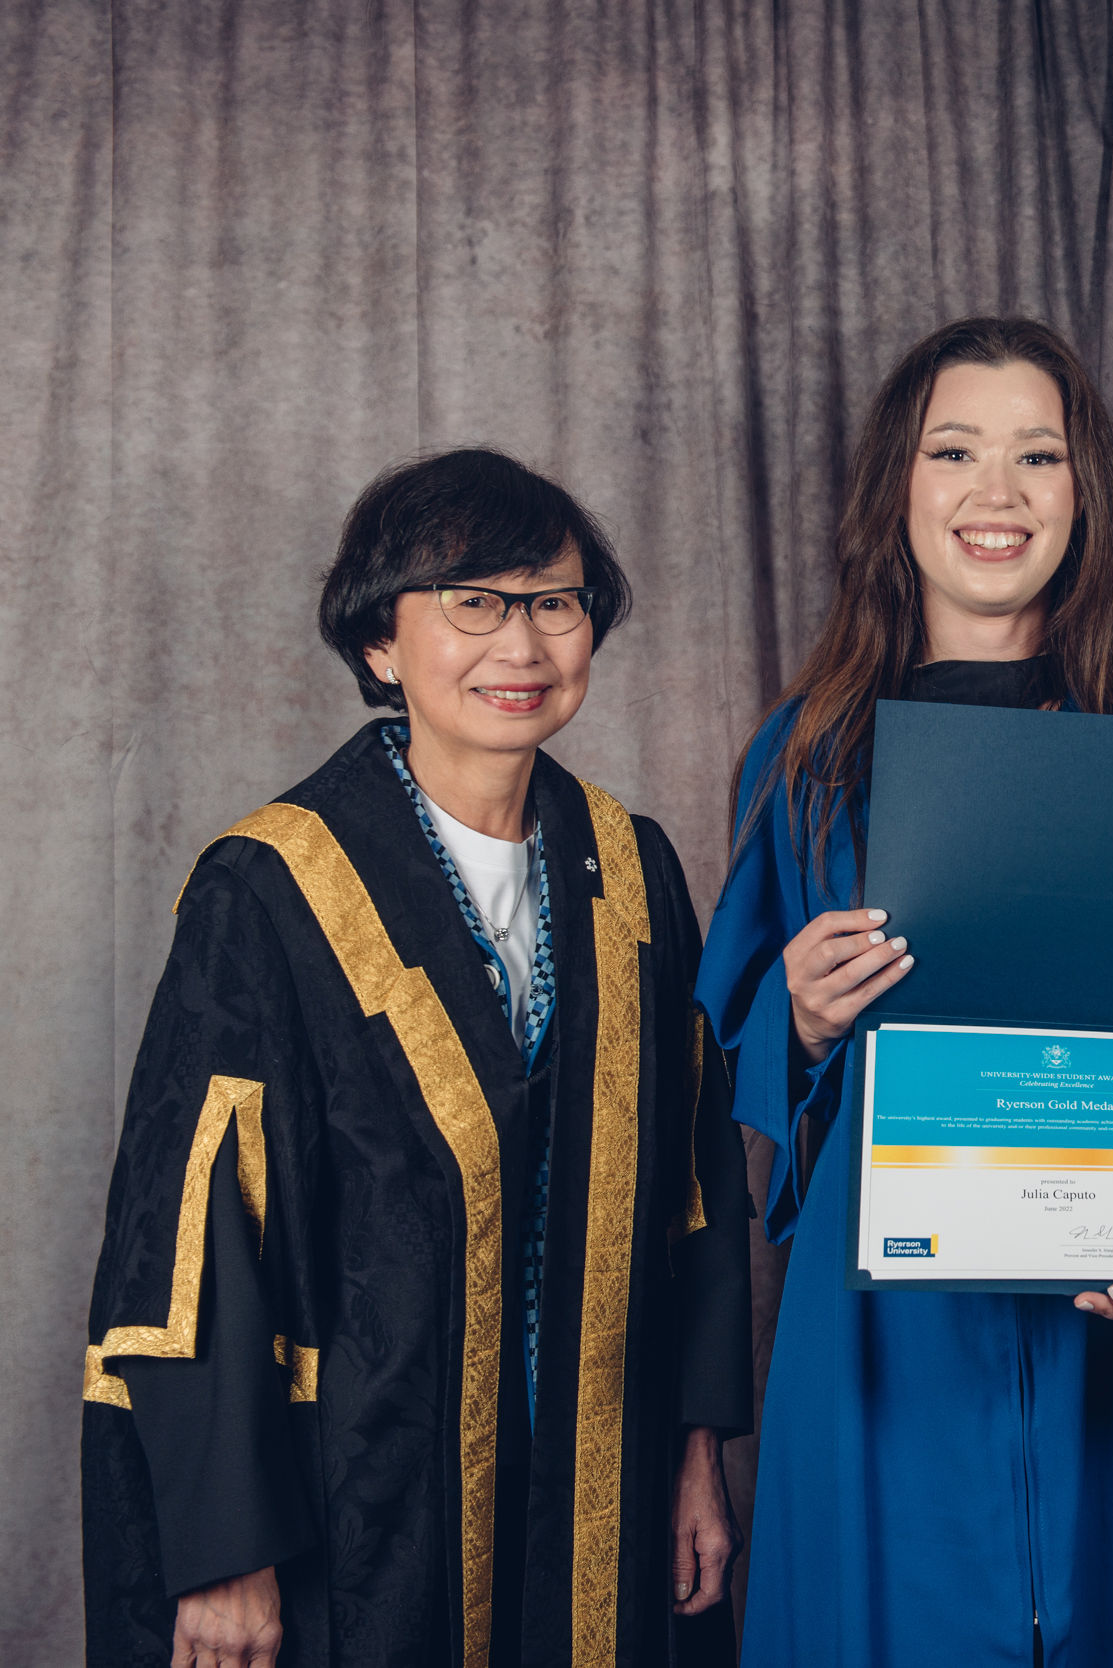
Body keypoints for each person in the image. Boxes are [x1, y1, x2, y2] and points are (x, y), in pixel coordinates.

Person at [695, 316, 1113, 1668]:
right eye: (956, 452)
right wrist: (802, 1020)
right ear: (896, 492)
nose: (998, 494)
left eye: (1038, 456)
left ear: (1086, 491)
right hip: (890, 1361)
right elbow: (723, 1053)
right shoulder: (809, 757)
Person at [80, 449, 754, 1668]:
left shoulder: (633, 872)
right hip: (363, 1495)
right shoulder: (272, 888)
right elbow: (189, 1240)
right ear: (381, 646)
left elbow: (694, 1186)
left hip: (598, 1480)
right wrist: (226, 1548)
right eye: (473, 602)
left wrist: (694, 1452)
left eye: (554, 602)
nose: (523, 645)